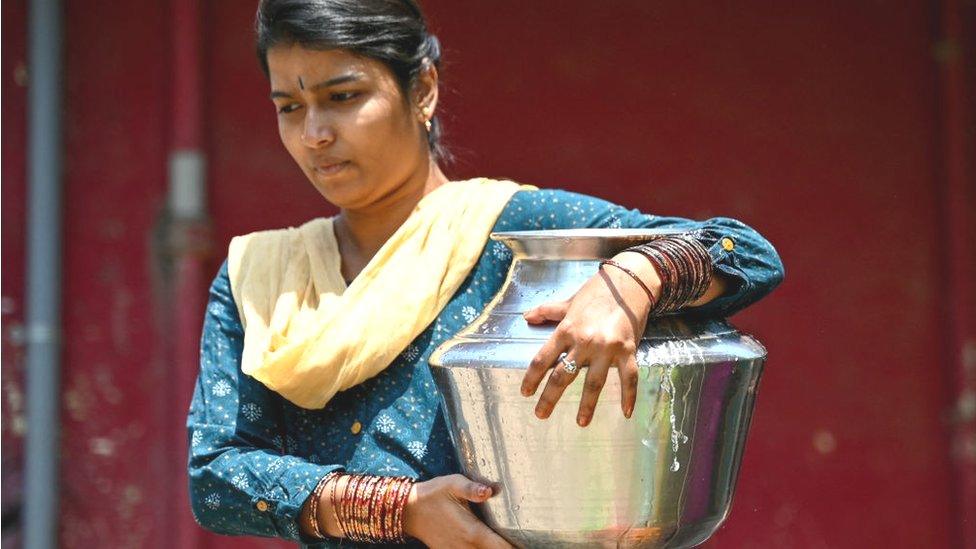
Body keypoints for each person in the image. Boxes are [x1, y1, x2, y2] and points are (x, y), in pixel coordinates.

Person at [186, 1, 785, 547]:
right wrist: (402, 509)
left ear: (421, 90)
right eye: (290, 107)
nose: (314, 134)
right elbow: (215, 474)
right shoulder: (260, 279)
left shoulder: (513, 233)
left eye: (343, 97)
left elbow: (750, 255)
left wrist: (631, 280)